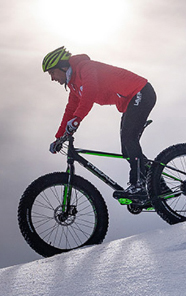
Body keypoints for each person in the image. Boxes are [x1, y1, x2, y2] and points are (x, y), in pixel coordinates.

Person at [43, 46, 155, 199]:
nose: (52, 78)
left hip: (140, 92)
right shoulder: (74, 85)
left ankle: (138, 185)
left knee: (130, 139)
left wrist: (77, 120)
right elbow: (70, 110)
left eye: (52, 72)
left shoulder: (85, 68)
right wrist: (59, 137)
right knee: (127, 150)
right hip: (130, 101)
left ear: (62, 67)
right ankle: (159, 184)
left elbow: (90, 93)